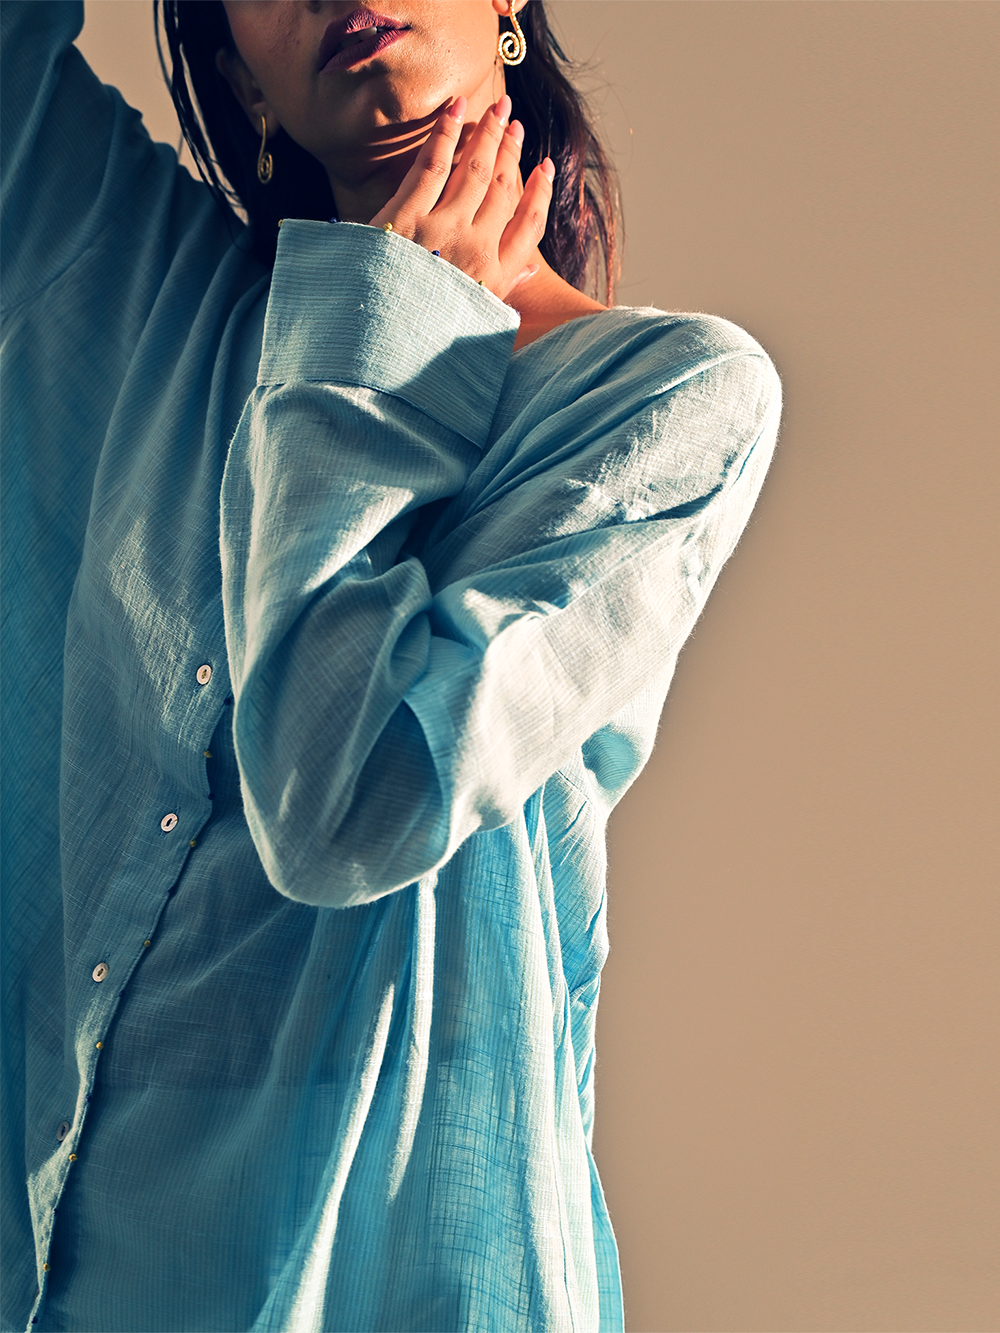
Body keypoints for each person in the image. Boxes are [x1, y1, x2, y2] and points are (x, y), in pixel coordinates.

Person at [0, 1, 781, 1329]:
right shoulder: (142, 285)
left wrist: (386, 323)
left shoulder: (662, 396)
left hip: (382, 1270)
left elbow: (344, 797)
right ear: (233, 69)